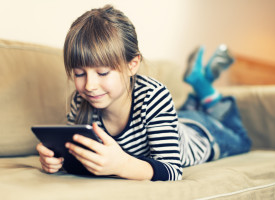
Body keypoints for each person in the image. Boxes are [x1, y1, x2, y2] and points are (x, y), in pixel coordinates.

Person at [36, 5, 251, 181]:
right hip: (174, 120)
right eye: (79, 73)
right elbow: (80, 154)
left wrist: (122, 164)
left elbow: (172, 171)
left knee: (241, 138)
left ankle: (204, 87)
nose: (89, 85)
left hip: (202, 133)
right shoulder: (80, 100)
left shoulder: (154, 96)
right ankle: (199, 86)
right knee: (181, 116)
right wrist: (57, 159)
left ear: (132, 65)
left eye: (102, 72)